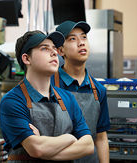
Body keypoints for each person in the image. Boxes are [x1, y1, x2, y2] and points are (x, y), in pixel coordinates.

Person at [0, 30, 94, 162]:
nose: (54, 52)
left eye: (54, 48)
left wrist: (45, 149)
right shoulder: (13, 101)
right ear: (26, 58)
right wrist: (70, 138)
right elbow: (36, 148)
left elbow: (88, 145)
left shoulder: (68, 98)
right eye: (44, 48)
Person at [52, 20, 110, 163]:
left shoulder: (98, 90)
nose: (81, 42)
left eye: (84, 37)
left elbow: (101, 138)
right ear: (60, 50)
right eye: (72, 39)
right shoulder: (49, 85)